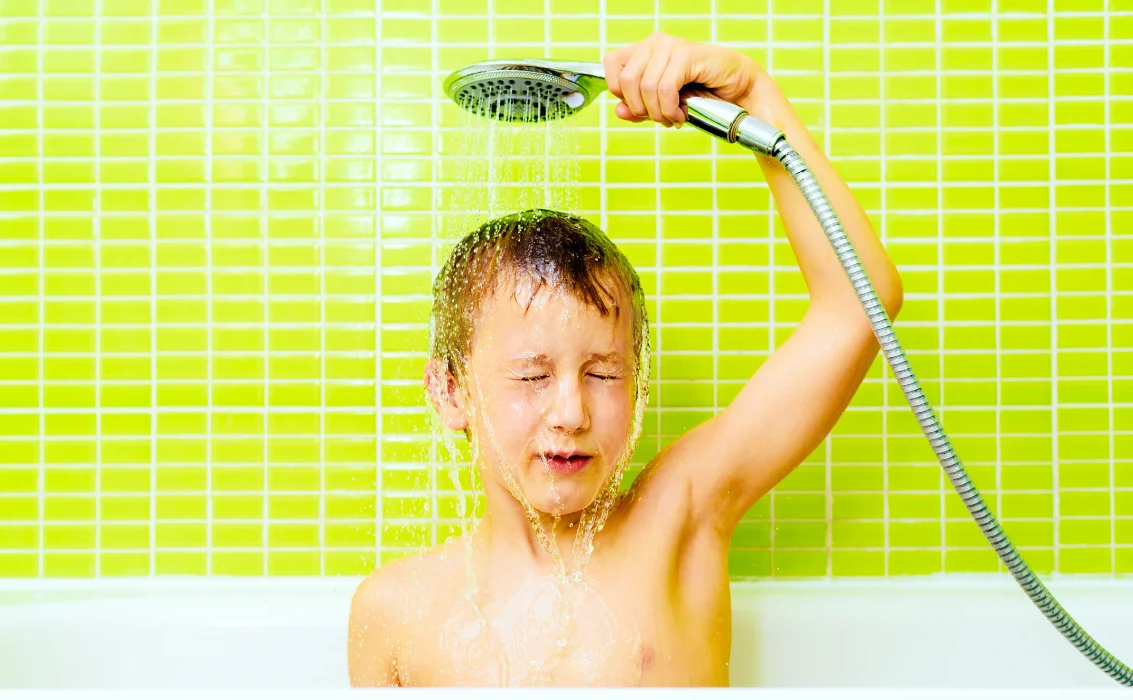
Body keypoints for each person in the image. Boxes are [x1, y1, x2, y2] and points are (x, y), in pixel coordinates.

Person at [348, 31, 904, 686]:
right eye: (531, 375)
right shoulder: (393, 612)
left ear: (637, 386)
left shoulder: (680, 520)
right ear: (449, 391)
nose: (570, 412)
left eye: (602, 373)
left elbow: (857, 306)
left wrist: (755, 97)